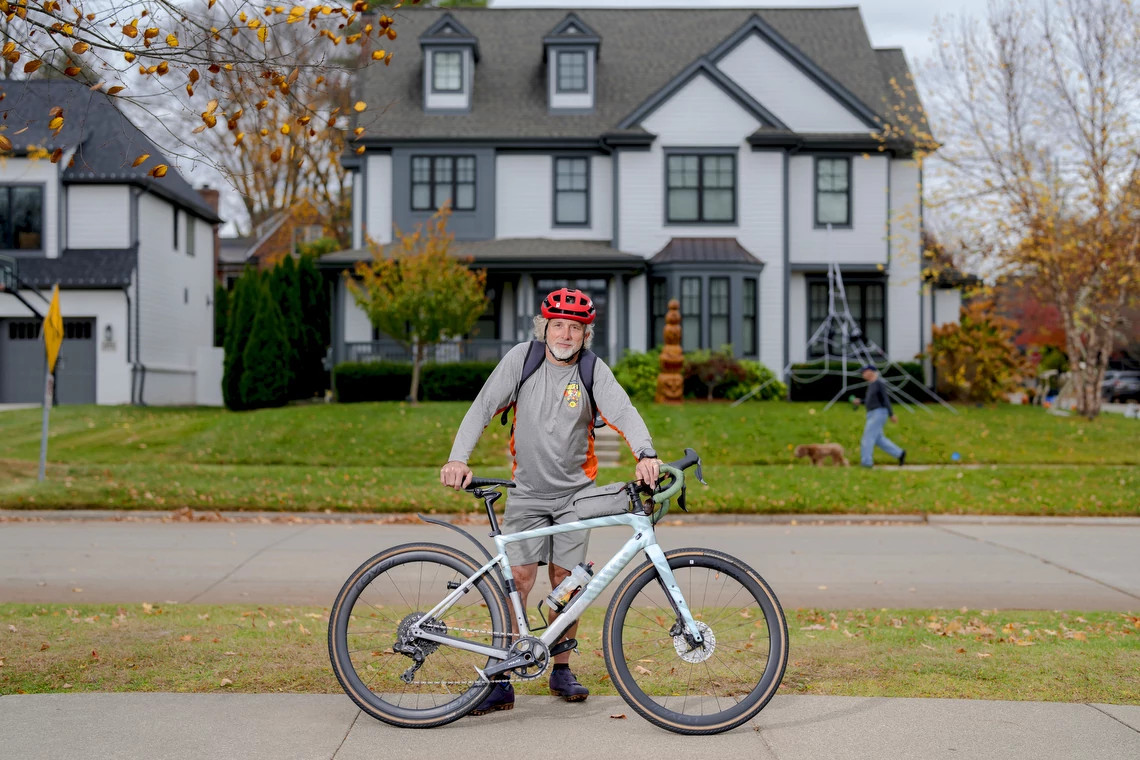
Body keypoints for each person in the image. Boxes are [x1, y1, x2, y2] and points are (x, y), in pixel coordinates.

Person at [440, 287, 660, 716]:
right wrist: (457, 458)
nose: (565, 334)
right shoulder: (523, 359)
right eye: (558, 325)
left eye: (575, 328)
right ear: (545, 328)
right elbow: (482, 407)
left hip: (575, 494)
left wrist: (646, 453)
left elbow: (625, 412)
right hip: (526, 491)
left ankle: (561, 668)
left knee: (568, 581)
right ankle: (502, 674)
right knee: (518, 579)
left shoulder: (593, 371)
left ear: (585, 334)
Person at [852, 364, 906, 468]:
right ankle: (900, 453)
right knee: (879, 439)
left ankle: (866, 463)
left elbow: (885, 399)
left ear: (870, 372)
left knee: (868, 437)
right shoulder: (871, 384)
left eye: (864, 372)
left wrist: (891, 414)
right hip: (871, 413)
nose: (862, 374)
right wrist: (860, 401)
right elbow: (870, 400)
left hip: (879, 413)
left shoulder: (879, 383)